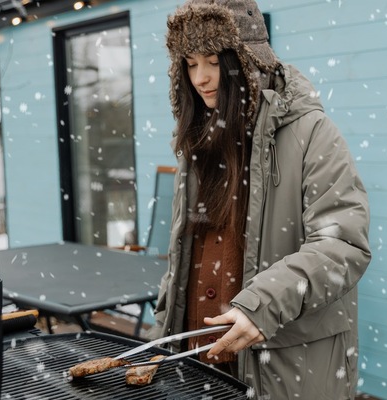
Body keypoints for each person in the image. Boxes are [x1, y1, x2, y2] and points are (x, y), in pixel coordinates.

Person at [149, 0, 371, 398]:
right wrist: (163, 330)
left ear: (247, 59)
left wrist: (263, 304)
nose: (201, 78)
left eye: (214, 60)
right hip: (198, 358)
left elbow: (342, 245)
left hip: (284, 364)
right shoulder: (198, 141)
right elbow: (184, 256)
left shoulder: (311, 133)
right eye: (190, 62)